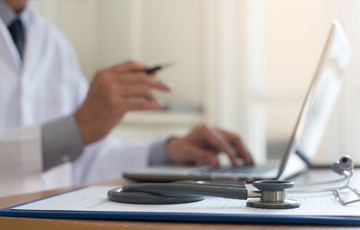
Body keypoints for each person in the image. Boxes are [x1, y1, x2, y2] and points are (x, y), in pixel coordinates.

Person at [0, 0, 253, 197]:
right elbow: (74, 137)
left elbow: (85, 158)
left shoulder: (55, 44)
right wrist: (74, 130)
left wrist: (166, 150)